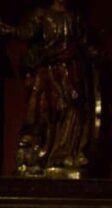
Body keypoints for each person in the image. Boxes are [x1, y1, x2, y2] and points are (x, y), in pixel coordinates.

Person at [0, 0, 97, 177]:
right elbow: (27, 31)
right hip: (50, 70)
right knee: (47, 111)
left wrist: (92, 52)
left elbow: (84, 41)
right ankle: (44, 152)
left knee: (73, 108)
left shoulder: (75, 17)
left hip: (73, 70)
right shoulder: (42, 14)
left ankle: (67, 153)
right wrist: (11, 30)